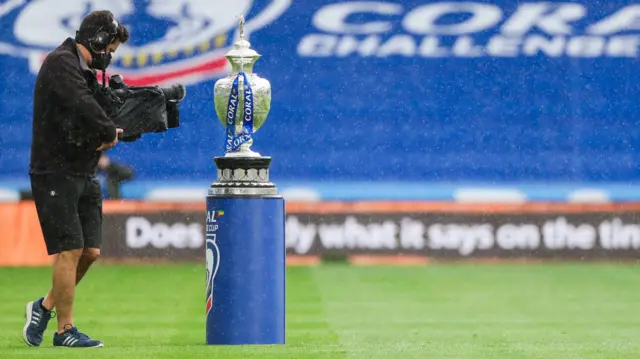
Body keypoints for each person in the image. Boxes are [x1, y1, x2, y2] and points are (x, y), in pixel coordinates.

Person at [23, 10, 129, 348]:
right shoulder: (61, 63)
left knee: (90, 252)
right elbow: (81, 104)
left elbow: (88, 109)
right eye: (110, 46)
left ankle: (44, 307)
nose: (110, 54)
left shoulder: (83, 71)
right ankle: (64, 331)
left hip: (82, 169)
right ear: (97, 40)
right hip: (55, 170)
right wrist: (108, 128)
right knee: (69, 249)